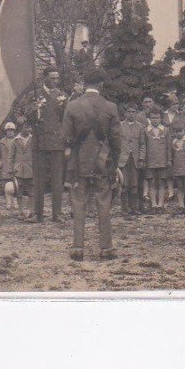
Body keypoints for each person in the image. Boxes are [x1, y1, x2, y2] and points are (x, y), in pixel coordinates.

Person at [61, 67, 122, 261]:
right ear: (101, 85)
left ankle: (78, 247)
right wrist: (114, 163)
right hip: (103, 163)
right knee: (103, 204)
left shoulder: (72, 106)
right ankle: (106, 248)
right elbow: (116, 140)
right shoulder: (111, 107)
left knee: (79, 204)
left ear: (84, 84)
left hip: (79, 163)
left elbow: (66, 138)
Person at [27, 66, 68, 222]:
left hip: (57, 142)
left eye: (57, 78)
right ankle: (37, 213)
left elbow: (67, 119)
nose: (55, 81)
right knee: (39, 179)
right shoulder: (35, 94)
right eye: (52, 78)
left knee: (57, 179)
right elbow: (27, 116)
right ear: (44, 78)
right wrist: (35, 109)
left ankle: (57, 213)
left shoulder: (63, 96)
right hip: (39, 141)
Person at [140, 107, 171, 213]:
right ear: (149, 118)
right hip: (150, 161)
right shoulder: (146, 130)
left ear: (161, 118)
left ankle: (160, 204)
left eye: (157, 118)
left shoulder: (166, 130)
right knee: (152, 182)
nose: (155, 120)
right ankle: (153, 204)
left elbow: (168, 147)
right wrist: (143, 160)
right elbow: (143, 146)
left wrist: (169, 160)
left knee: (161, 182)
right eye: (153, 118)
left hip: (162, 160)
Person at [118, 103, 144, 217]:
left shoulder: (140, 126)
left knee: (134, 184)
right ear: (125, 113)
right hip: (123, 159)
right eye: (129, 112)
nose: (131, 114)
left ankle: (134, 208)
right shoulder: (119, 125)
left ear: (136, 113)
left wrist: (142, 158)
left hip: (135, 159)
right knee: (124, 184)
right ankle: (124, 209)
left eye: (134, 112)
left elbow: (143, 144)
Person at [9, 120, 35, 220]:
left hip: (30, 168)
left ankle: (31, 211)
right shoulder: (16, 140)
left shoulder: (33, 139)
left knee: (31, 190)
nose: (28, 129)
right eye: (26, 127)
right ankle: (20, 211)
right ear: (20, 128)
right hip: (19, 169)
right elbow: (11, 156)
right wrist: (11, 169)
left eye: (29, 127)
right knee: (19, 190)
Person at [0, 122, 18, 211]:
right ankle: (8, 202)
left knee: (16, 184)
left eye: (12, 131)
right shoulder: (2, 142)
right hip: (5, 165)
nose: (10, 132)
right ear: (6, 131)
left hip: (14, 165)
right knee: (7, 185)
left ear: (14, 131)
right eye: (8, 131)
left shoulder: (17, 140)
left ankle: (15, 202)